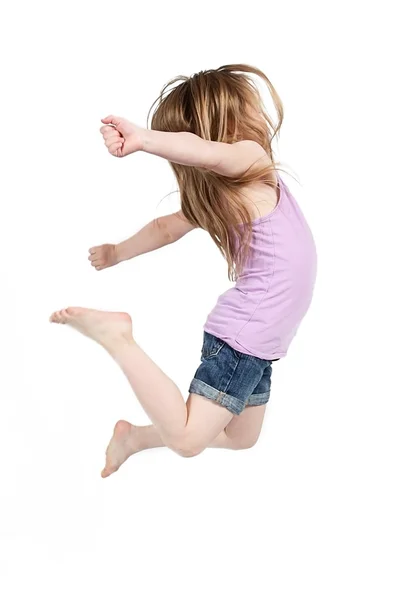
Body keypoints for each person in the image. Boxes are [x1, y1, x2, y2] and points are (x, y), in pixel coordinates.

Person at [49, 64, 317, 477]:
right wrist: (145, 139)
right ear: (228, 122)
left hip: (261, 342)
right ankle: (118, 338)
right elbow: (207, 153)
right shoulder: (252, 157)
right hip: (244, 336)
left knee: (242, 437)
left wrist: (117, 252)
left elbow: (164, 229)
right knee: (189, 439)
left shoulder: (236, 190)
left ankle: (133, 437)